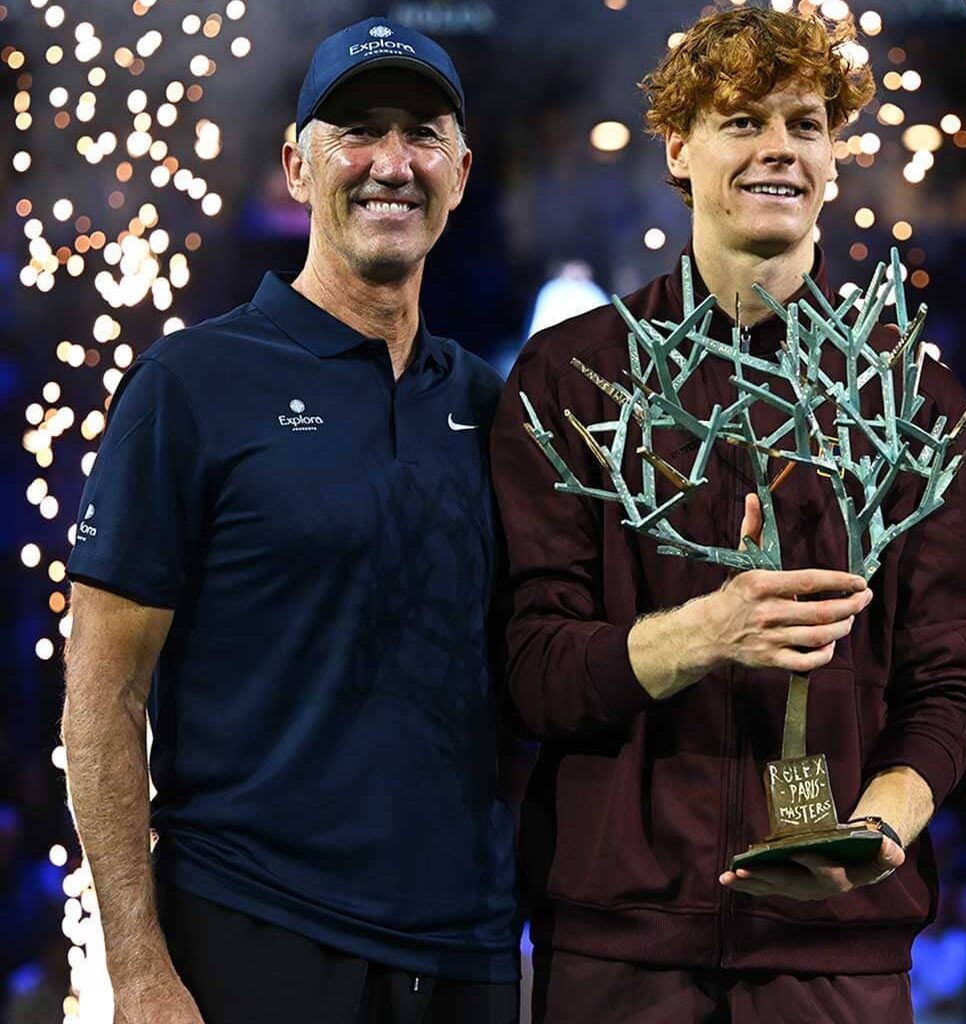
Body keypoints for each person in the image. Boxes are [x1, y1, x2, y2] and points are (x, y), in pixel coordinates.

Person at [490, 7, 966, 1022]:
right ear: (678, 148)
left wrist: (874, 835)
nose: (778, 148)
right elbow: (534, 671)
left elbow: (944, 680)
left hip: (836, 958)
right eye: (741, 121)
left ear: (835, 159)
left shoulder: (913, 402)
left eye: (804, 124)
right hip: (621, 951)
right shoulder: (573, 379)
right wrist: (703, 633)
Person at [62, 18, 518, 1024]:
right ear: (296, 166)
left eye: (423, 134)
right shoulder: (192, 384)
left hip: (467, 948)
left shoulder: (493, 409)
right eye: (357, 130)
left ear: (461, 170)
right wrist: (136, 968)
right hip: (254, 933)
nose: (391, 163)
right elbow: (101, 694)